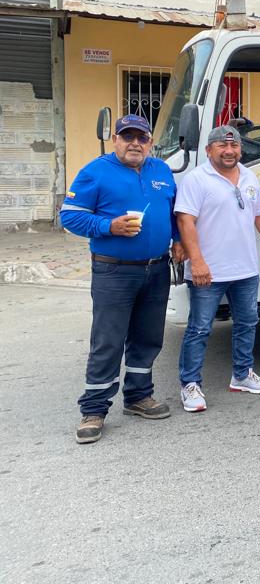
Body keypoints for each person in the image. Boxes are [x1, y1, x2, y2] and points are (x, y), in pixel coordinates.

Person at [60, 114, 183, 444]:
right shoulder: (95, 171)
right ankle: (94, 409)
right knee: (108, 340)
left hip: (157, 268)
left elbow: (172, 213)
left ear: (150, 142)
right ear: (115, 140)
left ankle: (138, 397)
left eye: (141, 138)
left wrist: (178, 240)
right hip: (114, 271)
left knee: (148, 337)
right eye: (127, 137)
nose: (135, 143)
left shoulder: (161, 171)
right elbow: (70, 216)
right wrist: (108, 226)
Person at [174, 125, 260, 412]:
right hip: (208, 271)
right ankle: (190, 384)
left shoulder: (248, 175)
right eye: (222, 146)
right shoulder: (196, 179)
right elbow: (185, 221)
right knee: (199, 329)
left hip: (245, 269)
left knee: (247, 323)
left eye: (234, 146)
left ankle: (242, 375)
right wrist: (197, 261)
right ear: (209, 150)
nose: (229, 151)